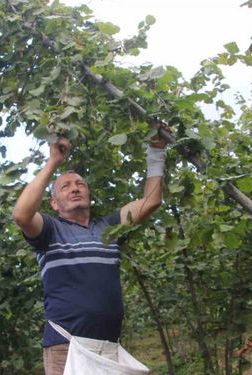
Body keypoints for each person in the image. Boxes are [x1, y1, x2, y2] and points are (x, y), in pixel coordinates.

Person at [12, 127, 168, 375]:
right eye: (65, 187)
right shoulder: (50, 230)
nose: (74, 188)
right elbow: (21, 215)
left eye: (80, 184)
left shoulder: (108, 227)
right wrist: (53, 162)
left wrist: (156, 152)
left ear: (89, 194)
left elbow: (150, 201)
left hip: (109, 348)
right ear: (53, 203)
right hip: (67, 346)